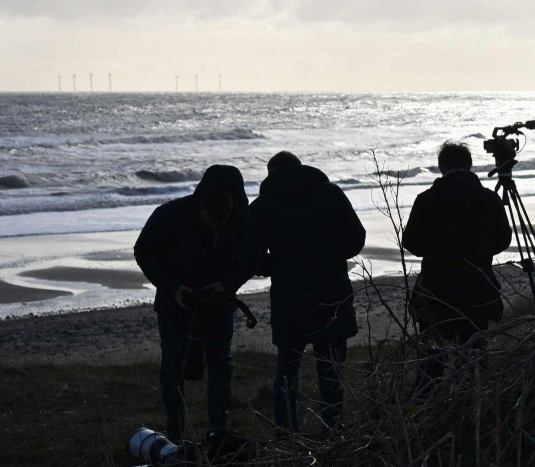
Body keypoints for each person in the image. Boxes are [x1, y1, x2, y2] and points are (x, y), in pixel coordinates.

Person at [132, 164, 256, 449]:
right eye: (211, 221)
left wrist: (227, 284)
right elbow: (143, 251)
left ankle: (218, 430)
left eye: (221, 222)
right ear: (201, 206)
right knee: (173, 366)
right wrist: (172, 287)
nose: (215, 226)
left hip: (219, 304)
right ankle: (175, 434)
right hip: (175, 303)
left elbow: (253, 257)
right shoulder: (171, 214)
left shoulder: (242, 220)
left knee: (220, 364)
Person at [251, 150, 368, 430]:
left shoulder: (264, 203)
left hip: (289, 296)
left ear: (272, 174)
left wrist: (274, 264)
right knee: (331, 371)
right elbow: (357, 238)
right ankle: (333, 429)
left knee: (287, 373)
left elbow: (250, 253)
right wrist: (332, 254)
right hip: (331, 291)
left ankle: (287, 435)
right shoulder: (331, 193)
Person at [398, 140, 510, 379]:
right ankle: (475, 410)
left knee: (432, 362)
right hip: (478, 291)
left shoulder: (427, 199)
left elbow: (411, 243)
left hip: (436, 292)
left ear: (441, 168)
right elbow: (503, 240)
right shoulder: (489, 199)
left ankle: (428, 411)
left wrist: (439, 250)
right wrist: (479, 250)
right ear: (469, 166)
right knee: (474, 359)